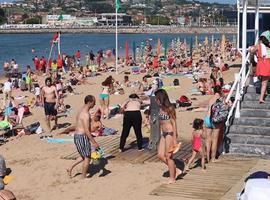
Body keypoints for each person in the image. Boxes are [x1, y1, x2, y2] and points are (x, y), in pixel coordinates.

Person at [67, 95, 99, 179]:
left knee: (83, 156)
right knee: (87, 157)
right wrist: (94, 142)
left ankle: (70, 167)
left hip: (78, 136)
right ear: (89, 102)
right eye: (94, 102)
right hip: (82, 136)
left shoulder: (80, 110)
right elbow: (86, 131)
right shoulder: (85, 114)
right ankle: (83, 177)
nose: (95, 104)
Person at [155, 89, 181, 184]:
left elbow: (174, 123)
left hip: (170, 133)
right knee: (160, 155)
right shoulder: (160, 108)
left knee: (169, 156)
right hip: (164, 134)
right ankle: (176, 170)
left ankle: (172, 178)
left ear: (161, 98)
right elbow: (161, 122)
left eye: (157, 98)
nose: (155, 100)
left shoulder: (170, 108)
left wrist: (174, 139)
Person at [204, 85, 223, 163]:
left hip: (207, 119)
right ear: (220, 90)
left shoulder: (211, 99)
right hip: (215, 120)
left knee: (208, 139)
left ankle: (207, 158)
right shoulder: (221, 99)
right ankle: (213, 158)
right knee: (215, 140)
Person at [250, 31, 270, 103]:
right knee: (265, 82)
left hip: (261, 64)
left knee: (263, 81)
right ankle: (262, 96)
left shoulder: (259, 46)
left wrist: (252, 49)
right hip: (268, 64)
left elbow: (251, 51)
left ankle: (262, 96)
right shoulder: (268, 47)